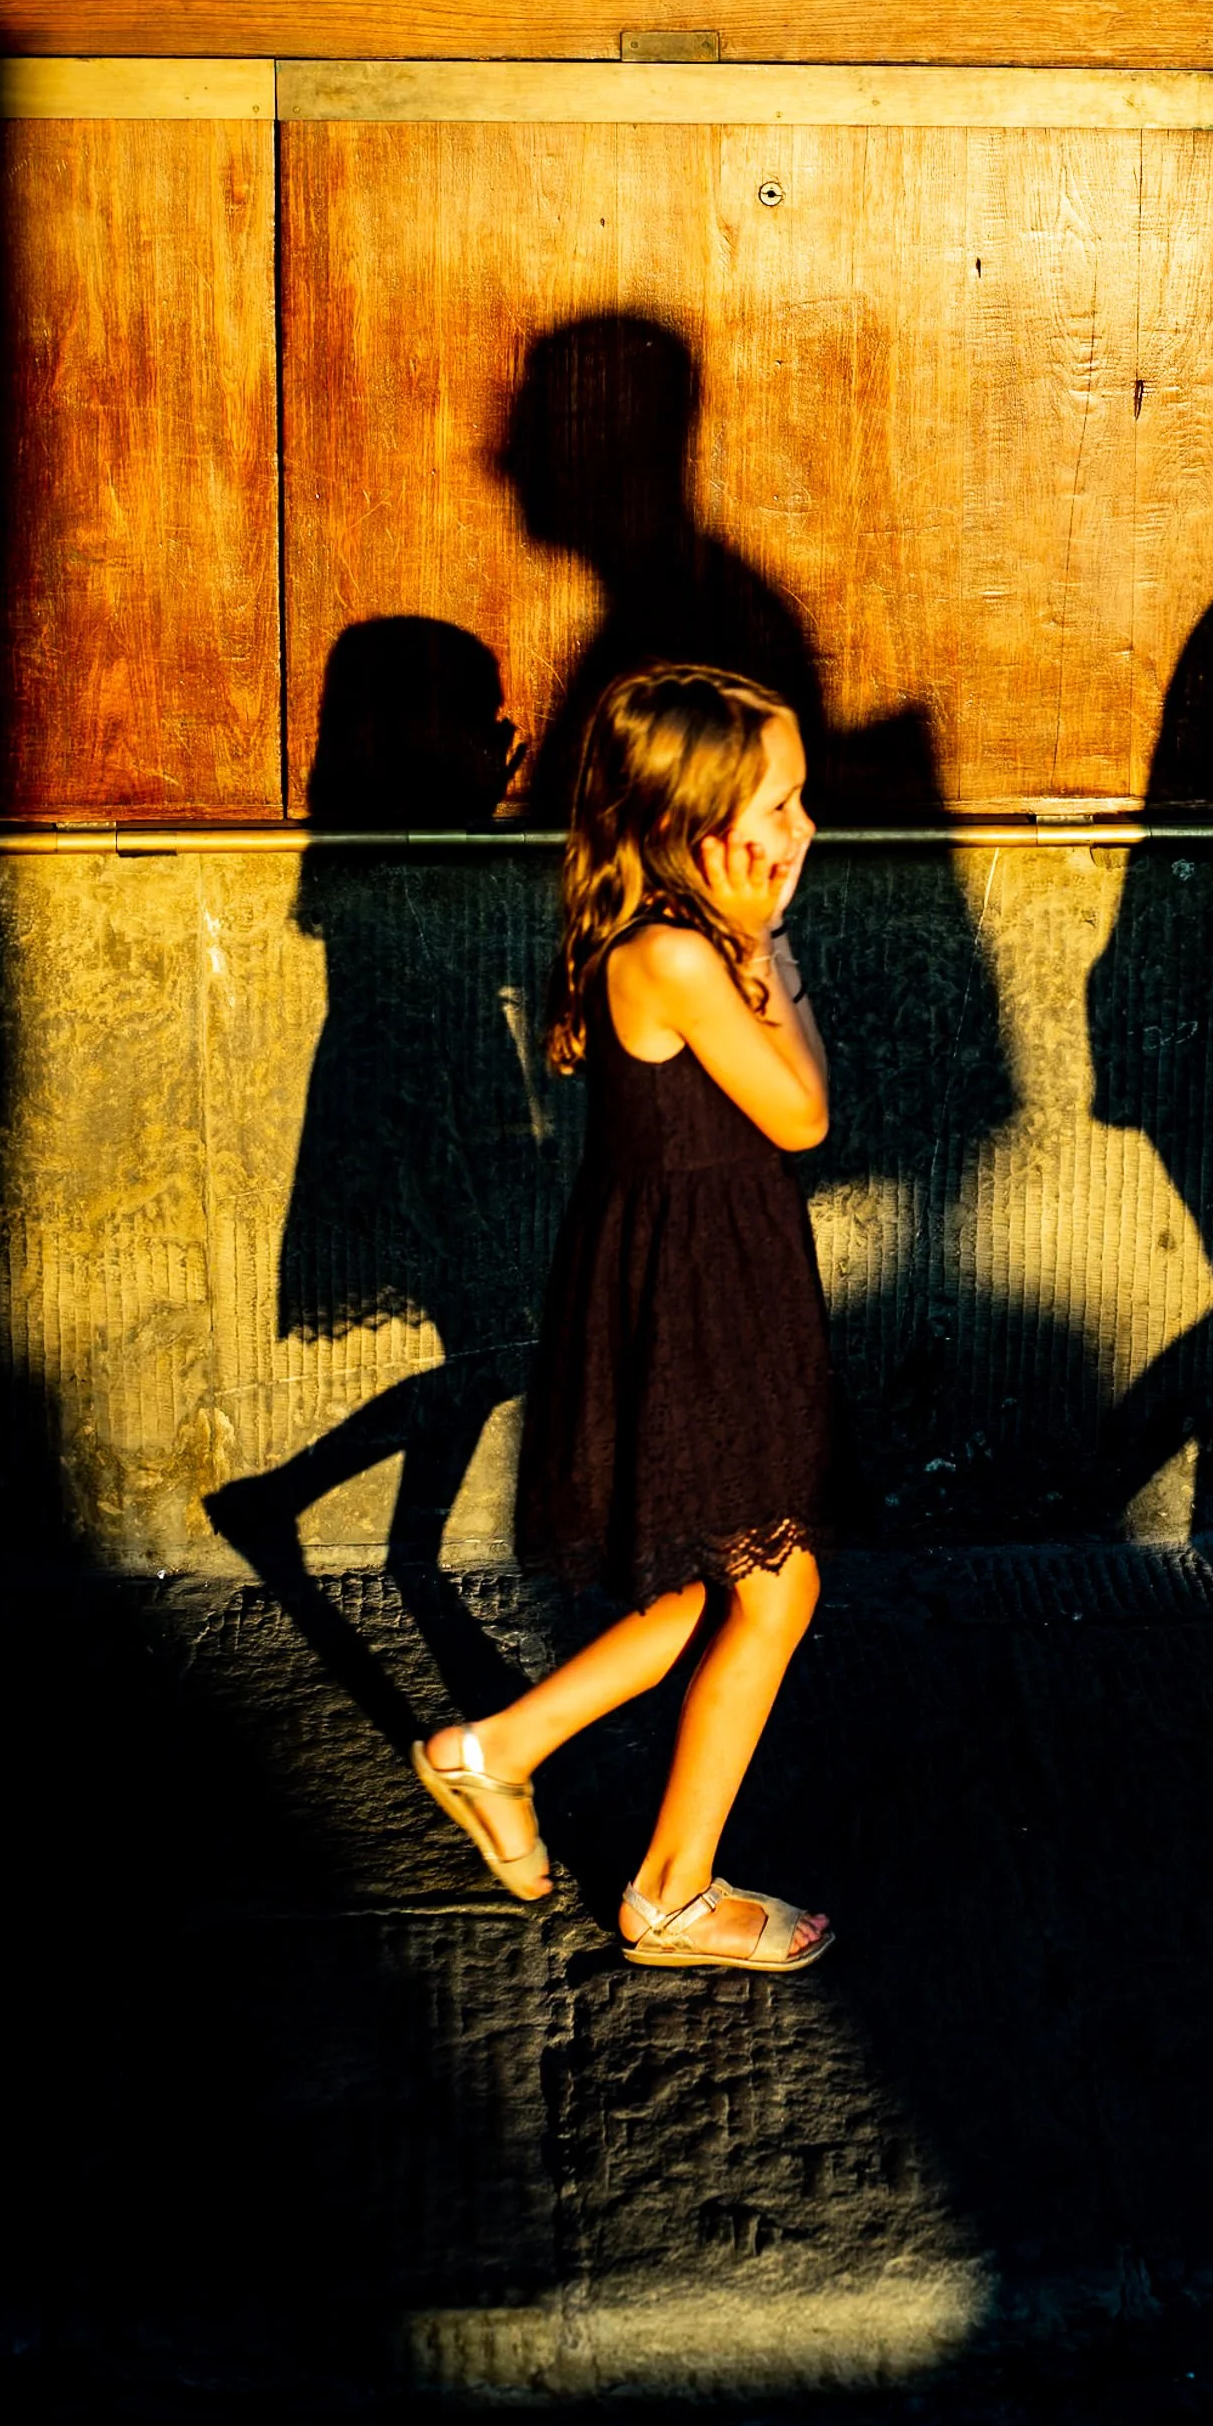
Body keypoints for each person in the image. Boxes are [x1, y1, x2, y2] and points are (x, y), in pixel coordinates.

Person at [413, 663, 837, 1971]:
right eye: (779, 804)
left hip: (718, 1271)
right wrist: (768, 945)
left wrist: (763, 938)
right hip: (690, 1295)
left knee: (691, 1591)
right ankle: (670, 1894)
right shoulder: (675, 953)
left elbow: (801, 1098)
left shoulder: (708, 936)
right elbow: (805, 1116)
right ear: (696, 823)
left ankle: (492, 1752)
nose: (803, 831)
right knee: (772, 1594)